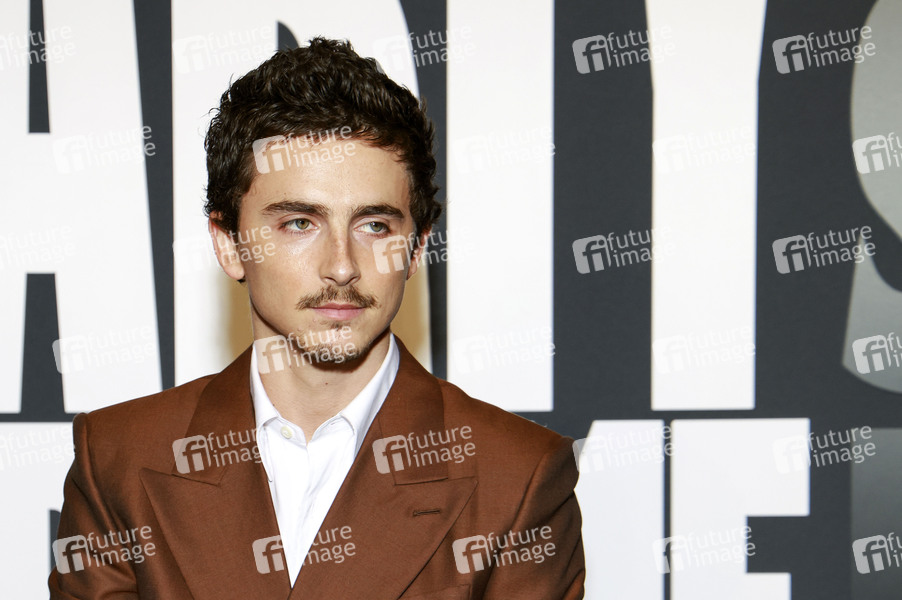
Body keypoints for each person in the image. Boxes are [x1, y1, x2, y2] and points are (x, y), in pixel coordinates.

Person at [49, 37, 584, 599]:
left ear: (415, 249)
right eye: (300, 223)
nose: (342, 266)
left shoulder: (518, 478)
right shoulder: (118, 459)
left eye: (374, 225)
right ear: (229, 244)